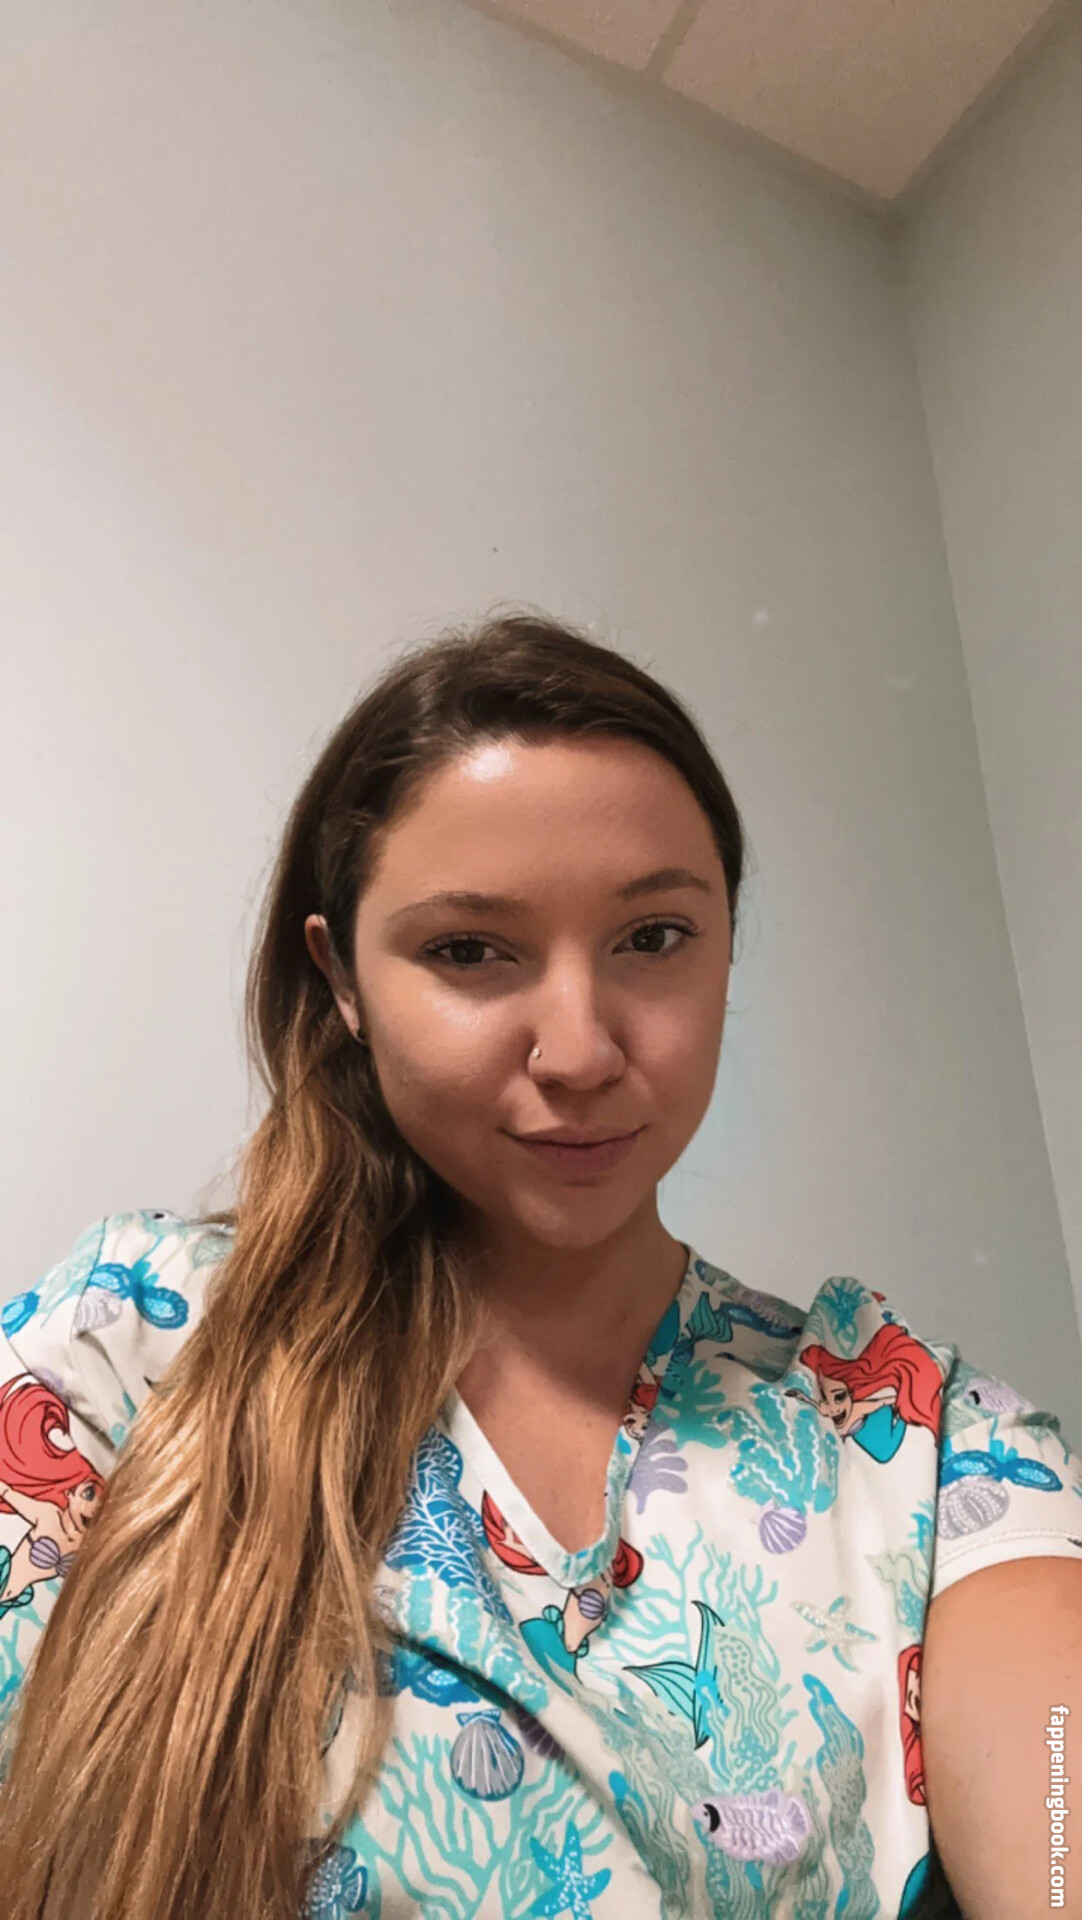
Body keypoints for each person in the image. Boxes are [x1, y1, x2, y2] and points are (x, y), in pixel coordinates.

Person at [0, 610, 1079, 1920]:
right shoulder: (130, 1356)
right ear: (342, 980)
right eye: (469, 951)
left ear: (726, 946)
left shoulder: (913, 1442)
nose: (578, 1051)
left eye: (652, 938)